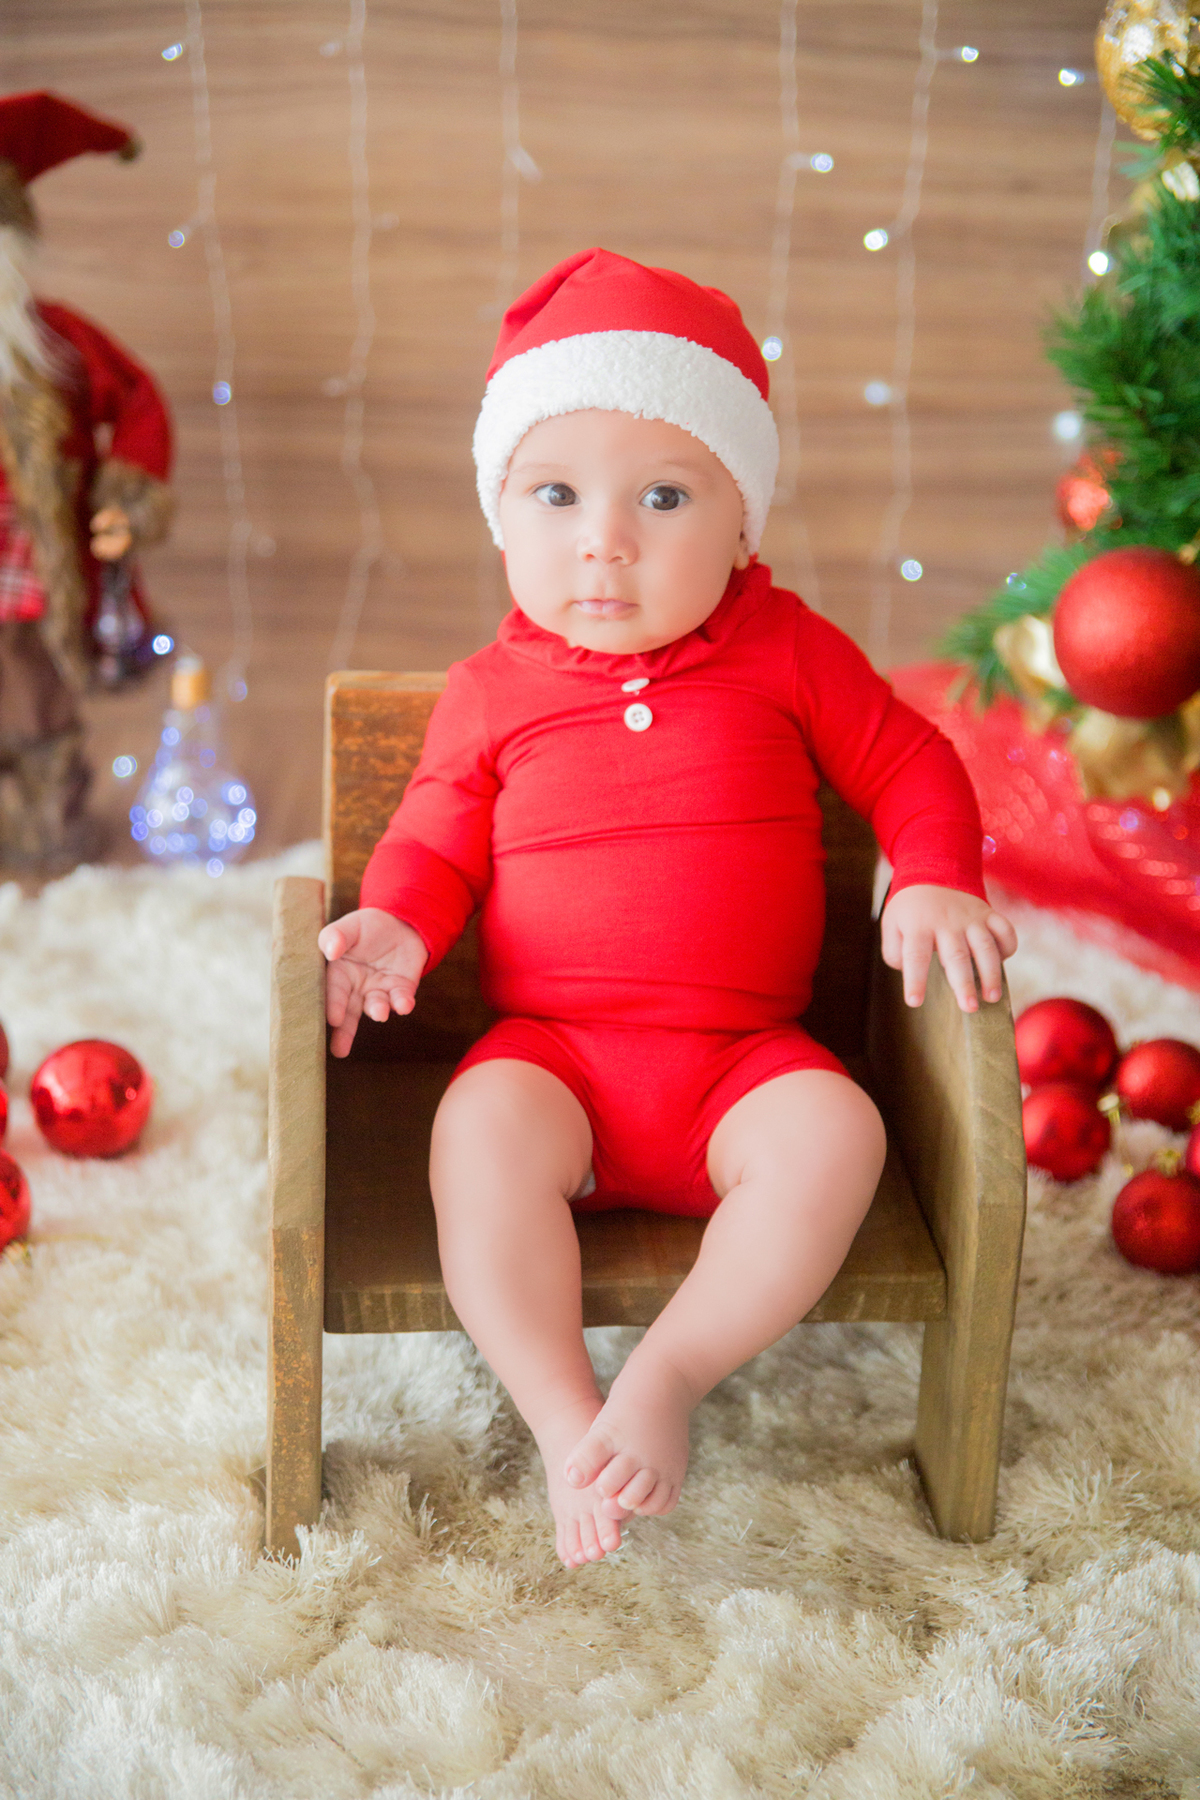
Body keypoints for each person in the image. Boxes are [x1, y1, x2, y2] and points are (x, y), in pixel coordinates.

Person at [320, 249, 1017, 1570]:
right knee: (475, 1135)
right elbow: (432, 839)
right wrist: (396, 924)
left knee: (839, 1135)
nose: (606, 538)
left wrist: (935, 872)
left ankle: (671, 1373)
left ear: (743, 521)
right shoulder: (489, 692)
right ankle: (562, 1414)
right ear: (501, 517)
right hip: (556, 1060)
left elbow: (912, 761)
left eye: (663, 495)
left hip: (744, 1063)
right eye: (556, 493)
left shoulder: (789, 650)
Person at [0, 90, 174, 866]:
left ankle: (46, 830)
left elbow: (137, 398)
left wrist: (126, 496)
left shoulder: (55, 342)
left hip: (27, 566)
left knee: (35, 694)